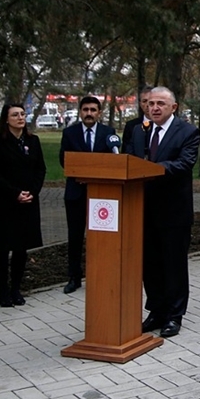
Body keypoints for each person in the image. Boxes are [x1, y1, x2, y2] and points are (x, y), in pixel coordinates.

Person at [125, 86, 199, 338]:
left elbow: (184, 164)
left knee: (173, 265)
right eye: (150, 103)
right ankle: (156, 310)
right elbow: (130, 160)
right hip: (142, 210)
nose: (153, 108)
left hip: (174, 213)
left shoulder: (188, 132)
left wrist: (150, 169)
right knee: (150, 265)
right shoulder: (138, 131)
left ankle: (174, 315)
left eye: (160, 104)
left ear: (173, 107)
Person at [0, 103, 45, 307]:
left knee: (21, 248)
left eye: (22, 114)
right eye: (15, 115)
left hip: (27, 201)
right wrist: (15, 193)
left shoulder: (32, 141)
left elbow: (40, 170)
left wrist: (32, 192)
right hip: (4, 202)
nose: (20, 118)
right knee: (2, 248)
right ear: (6, 119)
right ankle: (3, 290)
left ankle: (16, 289)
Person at [58, 95, 117, 294]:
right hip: (76, 192)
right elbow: (63, 160)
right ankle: (74, 277)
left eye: (93, 110)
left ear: (99, 113)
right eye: (86, 110)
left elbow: (113, 161)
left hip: (101, 195)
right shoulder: (70, 133)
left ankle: (101, 274)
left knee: (101, 236)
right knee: (75, 236)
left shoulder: (109, 133)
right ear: (80, 112)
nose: (89, 113)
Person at [122, 86, 153, 150]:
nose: (147, 105)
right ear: (140, 104)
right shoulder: (131, 126)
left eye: (151, 101)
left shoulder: (165, 125)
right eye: (144, 101)